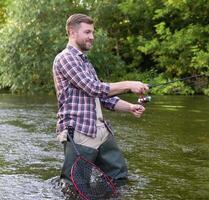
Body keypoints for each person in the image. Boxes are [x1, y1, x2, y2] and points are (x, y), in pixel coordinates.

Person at [52, 13, 149, 189]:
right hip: (80, 132)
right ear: (72, 33)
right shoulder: (65, 58)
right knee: (75, 186)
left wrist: (130, 107)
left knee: (119, 177)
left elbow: (102, 96)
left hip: (100, 130)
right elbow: (93, 88)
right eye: (87, 32)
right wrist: (129, 84)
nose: (92, 37)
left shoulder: (85, 62)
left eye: (92, 32)